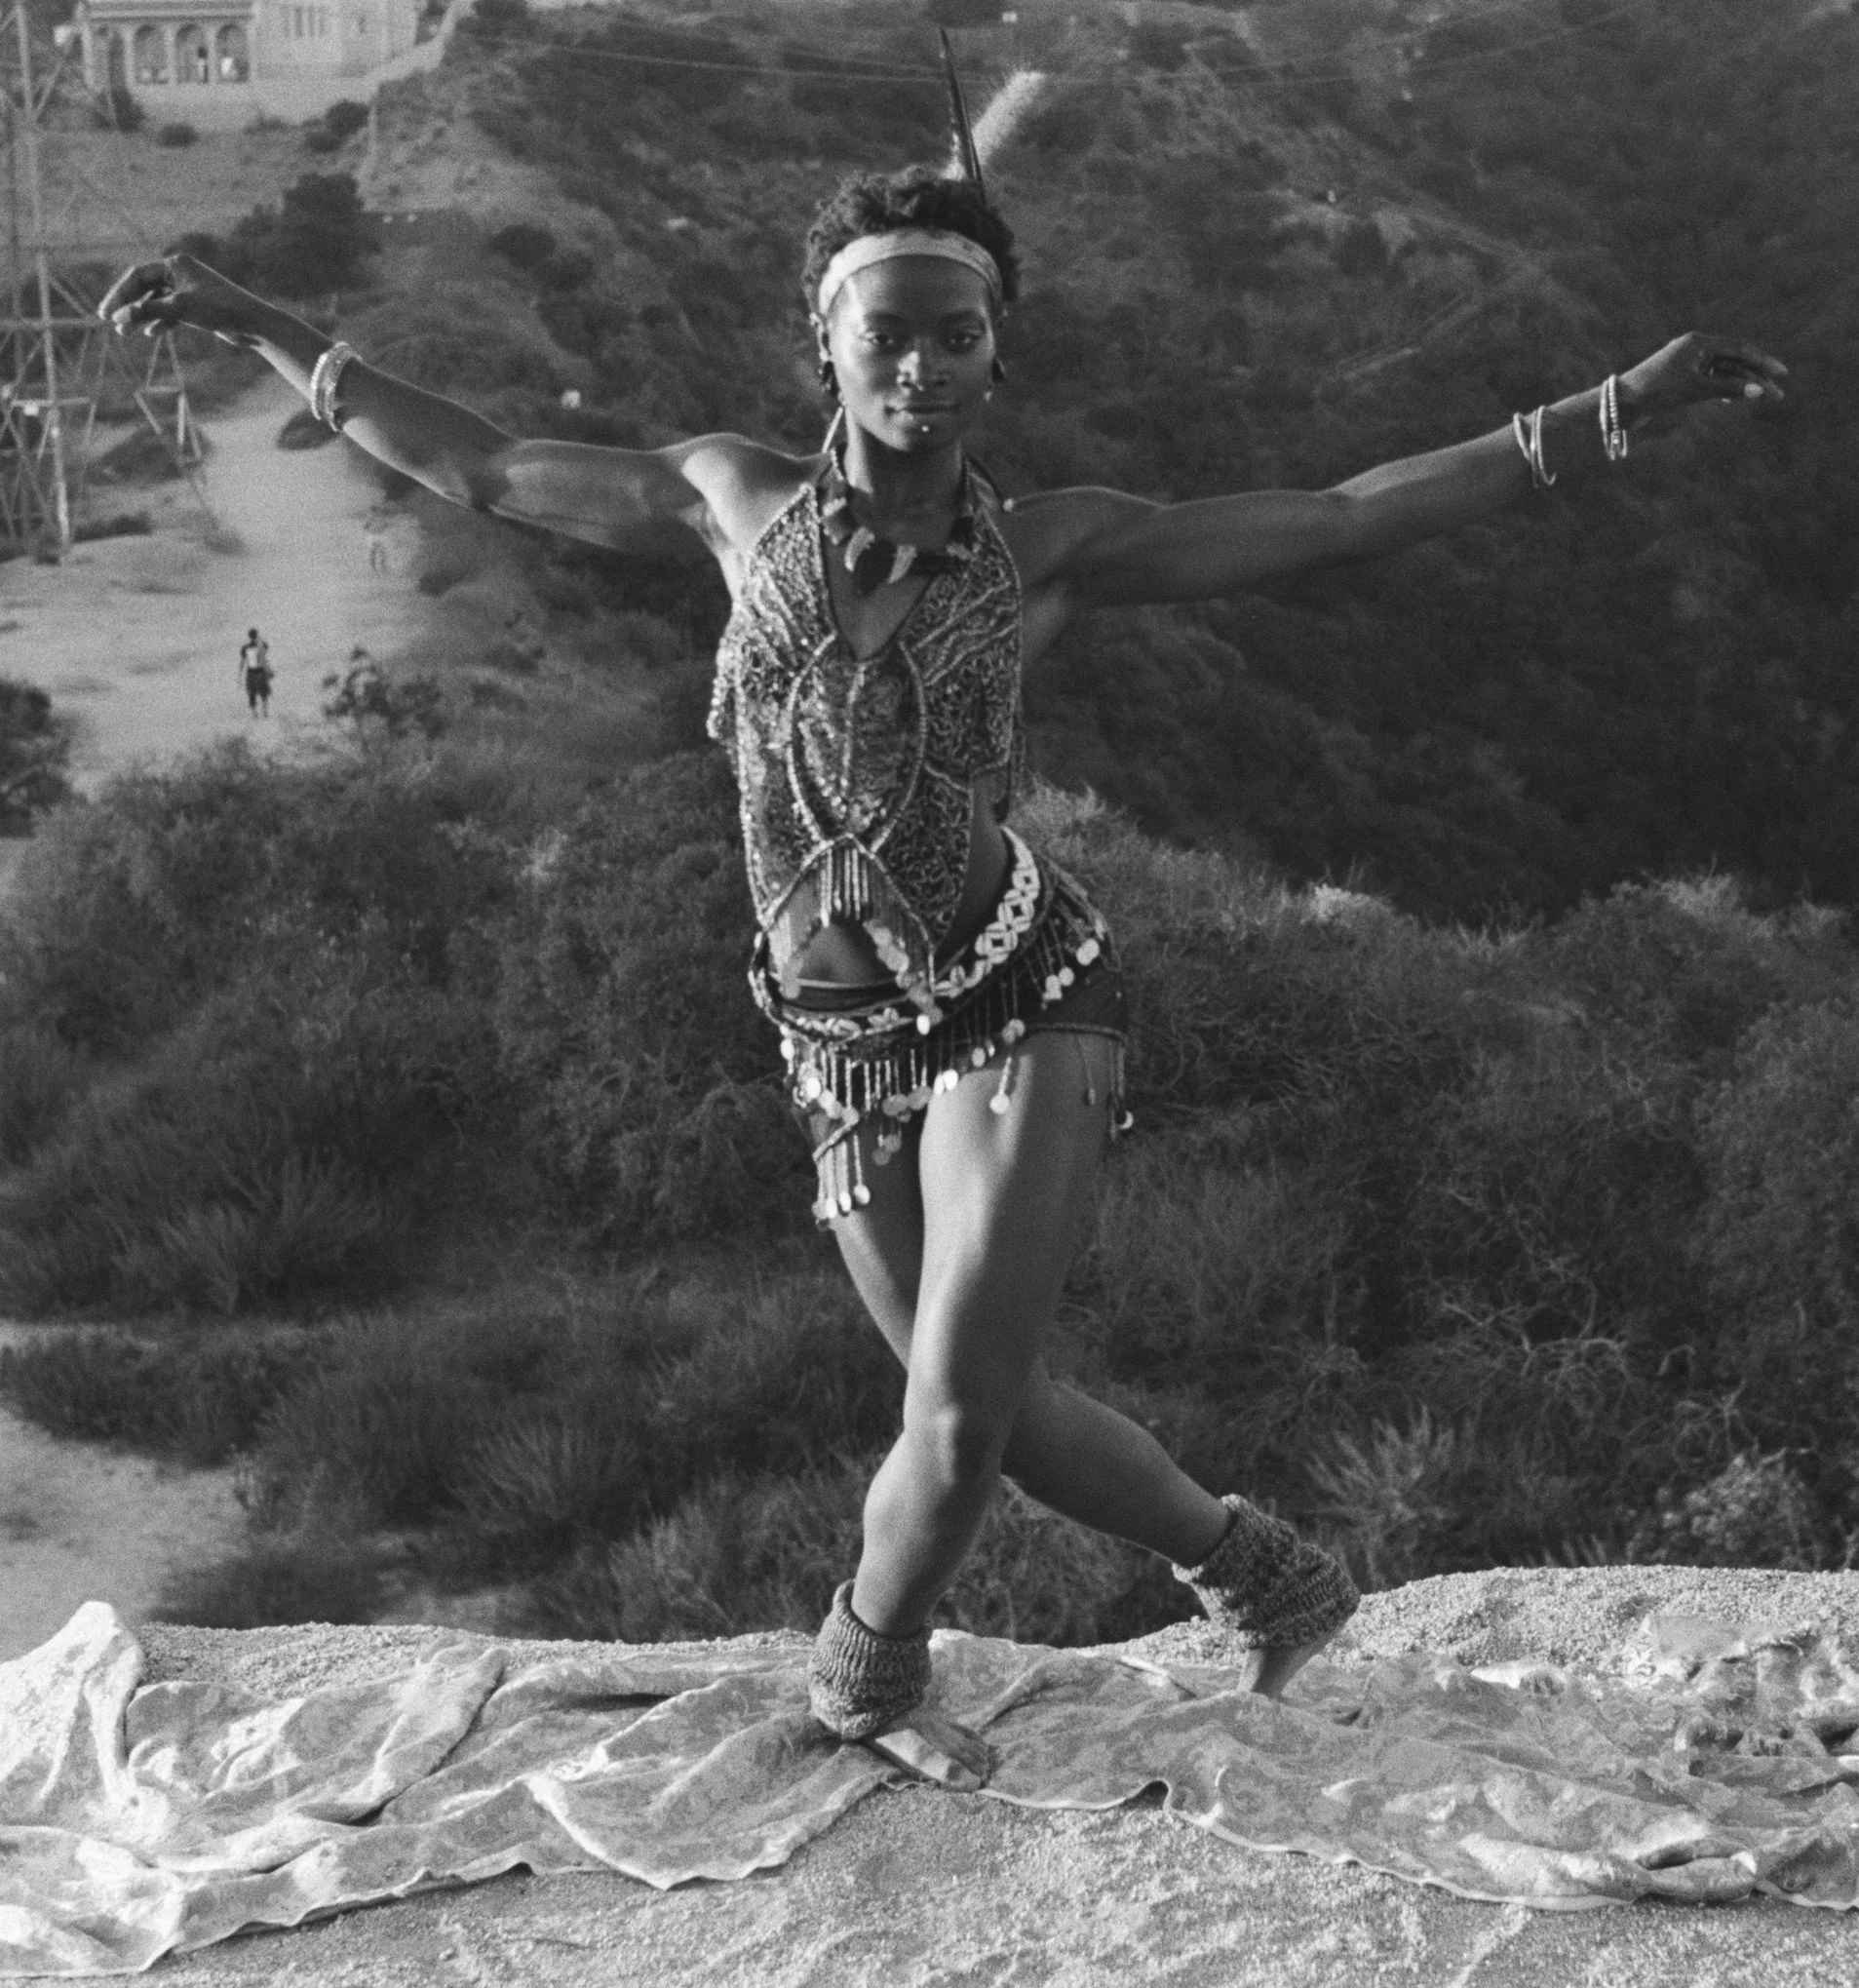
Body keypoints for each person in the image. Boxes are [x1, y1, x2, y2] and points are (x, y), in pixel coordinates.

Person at [100, 157, 1783, 1792]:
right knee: (983, 1406)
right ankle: (1262, 1573)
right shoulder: (726, 499)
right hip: (832, 1044)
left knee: (959, 1423)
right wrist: (247, 315)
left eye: (953, 334)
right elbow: (478, 464)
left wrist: (1615, 405)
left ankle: (861, 1672)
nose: (918, 364)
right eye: (884, 332)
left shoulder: (1045, 549)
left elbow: (1340, 517)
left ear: (997, 351)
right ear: (823, 344)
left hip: (1017, 997)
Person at [239, 627, 273, 717]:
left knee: (251, 693)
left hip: (251, 673)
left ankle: (255, 713)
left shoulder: (245, 647)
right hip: (261, 671)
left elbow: (242, 662)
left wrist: (240, 675)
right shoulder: (261, 645)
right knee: (264, 692)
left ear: (249, 636)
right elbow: (264, 656)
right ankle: (265, 711)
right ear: (256, 635)